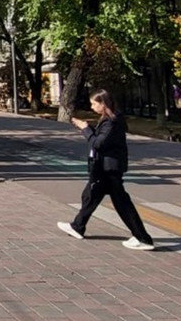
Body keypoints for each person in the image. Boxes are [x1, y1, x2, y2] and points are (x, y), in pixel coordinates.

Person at [57, 90, 155, 251]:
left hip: (109, 168)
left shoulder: (112, 121)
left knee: (121, 203)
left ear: (103, 104)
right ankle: (77, 226)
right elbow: (101, 139)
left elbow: (98, 143)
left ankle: (143, 238)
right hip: (104, 167)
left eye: (94, 103)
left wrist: (85, 128)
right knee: (90, 195)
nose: (92, 106)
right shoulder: (108, 120)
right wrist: (88, 128)